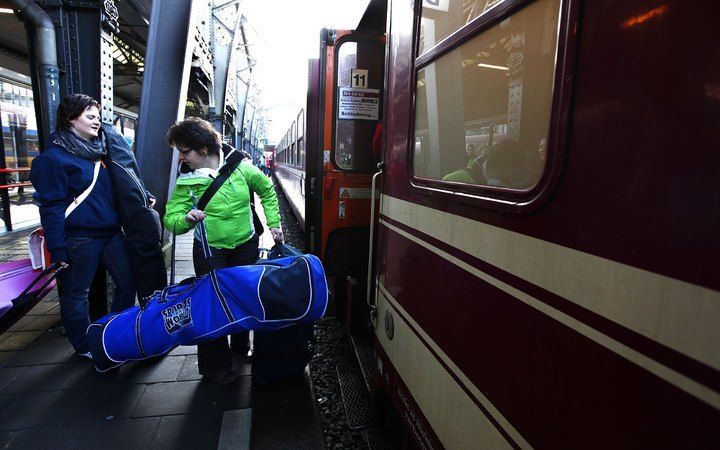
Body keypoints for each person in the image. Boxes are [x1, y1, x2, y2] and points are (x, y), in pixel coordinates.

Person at [163, 117, 283, 384]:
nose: (181, 158)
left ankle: (241, 347)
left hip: (245, 245)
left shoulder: (241, 167)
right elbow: (170, 219)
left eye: (184, 151)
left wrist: (274, 224)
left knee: (242, 298)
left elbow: (266, 189)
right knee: (211, 305)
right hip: (209, 252)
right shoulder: (187, 181)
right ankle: (215, 365)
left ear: (203, 150)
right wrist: (186, 219)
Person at [30, 94, 136, 359]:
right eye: (90, 116)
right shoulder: (52, 159)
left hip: (111, 232)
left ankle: (112, 331)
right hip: (79, 238)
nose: (97, 121)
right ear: (70, 119)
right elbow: (51, 207)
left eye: (98, 117)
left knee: (129, 281)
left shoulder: (100, 151)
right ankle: (84, 345)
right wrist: (57, 248)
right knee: (77, 294)